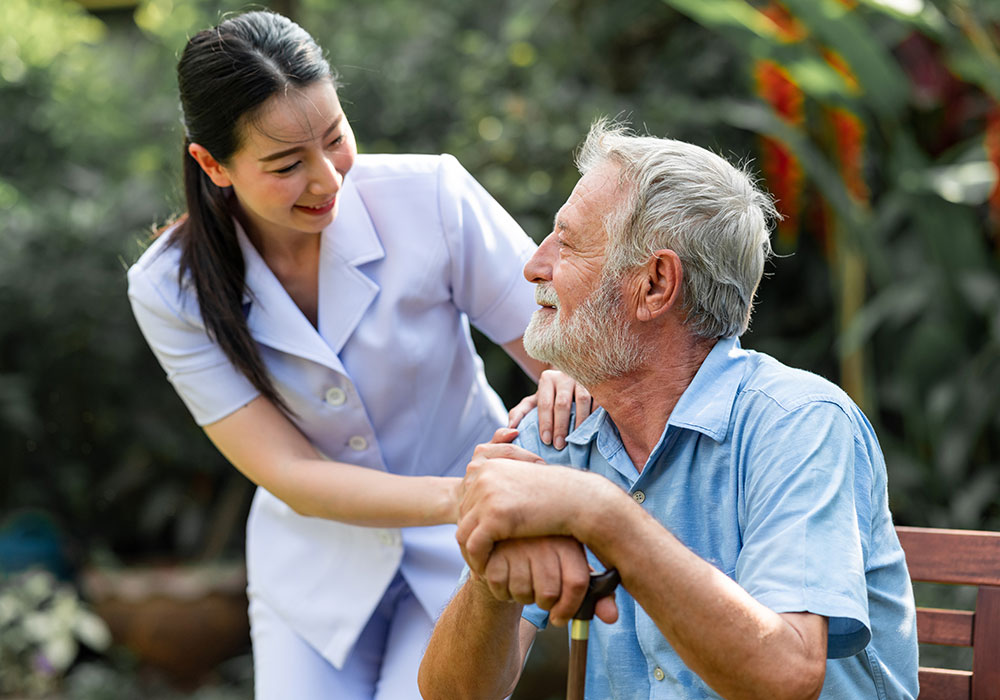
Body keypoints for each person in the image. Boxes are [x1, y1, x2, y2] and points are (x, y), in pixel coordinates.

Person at [126, 10, 590, 700]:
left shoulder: (431, 196)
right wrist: (472, 495)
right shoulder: (169, 285)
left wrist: (566, 408)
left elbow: (566, 357)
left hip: (478, 550)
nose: (327, 180)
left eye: (335, 137)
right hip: (315, 567)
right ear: (212, 164)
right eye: (286, 164)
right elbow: (290, 472)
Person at [419, 121, 920, 699]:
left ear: (655, 284)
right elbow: (451, 694)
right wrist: (489, 559)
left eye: (568, 241)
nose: (534, 265)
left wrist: (602, 515)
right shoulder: (555, 432)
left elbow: (787, 676)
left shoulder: (799, 423)